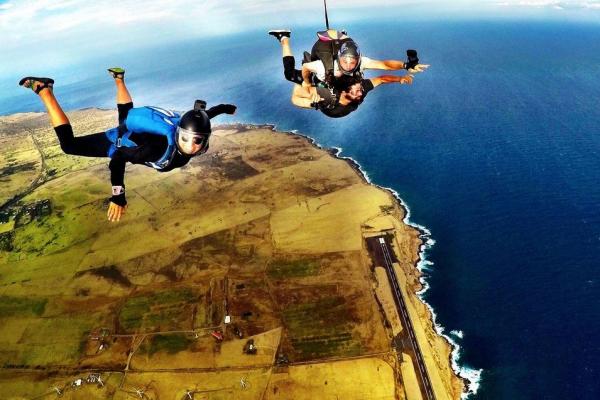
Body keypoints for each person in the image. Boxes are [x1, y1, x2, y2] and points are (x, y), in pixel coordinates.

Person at [18, 68, 236, 222]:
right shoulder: (155, 150)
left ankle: (119, 78)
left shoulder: (188, 125)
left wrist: (225, 108)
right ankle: (45, 90)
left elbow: (205, 115)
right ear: (179, 132)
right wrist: (118, 196)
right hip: (117, 142)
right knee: (69, 146)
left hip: (136, 134)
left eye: (197, 140)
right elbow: (118, 159)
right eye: (187, 138)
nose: (191, 146)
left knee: (126, 116)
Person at [269, 29, 425, 118]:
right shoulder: (359, 81)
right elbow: (383, 72)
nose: (359, 89)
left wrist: (307, 86)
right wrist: (404, 68)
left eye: (355, 91)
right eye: (360, 90)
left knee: (290, 75)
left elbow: (296, 96)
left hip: (320, 81)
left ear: (344, 91)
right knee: (350, 63)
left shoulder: (326, 97)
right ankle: (343, 39)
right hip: (336, 84)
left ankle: (284, 38)